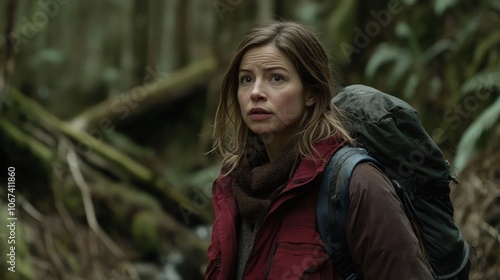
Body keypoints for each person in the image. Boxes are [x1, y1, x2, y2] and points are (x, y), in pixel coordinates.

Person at [205, 20, 433, 280]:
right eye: (246, 79)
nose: (255, 92)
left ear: (310, 93)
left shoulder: (356, 184)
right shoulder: (234, 184)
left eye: (276, 78)